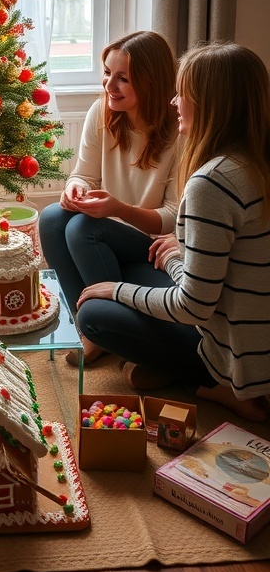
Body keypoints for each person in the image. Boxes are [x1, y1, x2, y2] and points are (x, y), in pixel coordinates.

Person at [77, 41, 270, 423]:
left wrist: (116, 289)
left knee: (95, 314)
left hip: (238, 356)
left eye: (183, 93)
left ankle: (217, 386)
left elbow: (194, 306)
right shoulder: (253, 163)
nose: (174, 102)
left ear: (210, 103)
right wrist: (179, 255)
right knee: (99, 250)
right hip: (258, 342)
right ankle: (163, 367)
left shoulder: (213, 183)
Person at [39, 31, 180, 365]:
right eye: (107, 73)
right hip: (109, 225)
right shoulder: (101, 112)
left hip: (149, 239)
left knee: (81, 229)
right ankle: (90, 326)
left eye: (122, 79)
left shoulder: (179, 130)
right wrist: (75, 188)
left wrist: (119, 209)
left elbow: (174, 215)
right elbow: (83, 174)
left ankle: (115, 330)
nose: (108, 85)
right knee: (52, 218)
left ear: (151, 82)